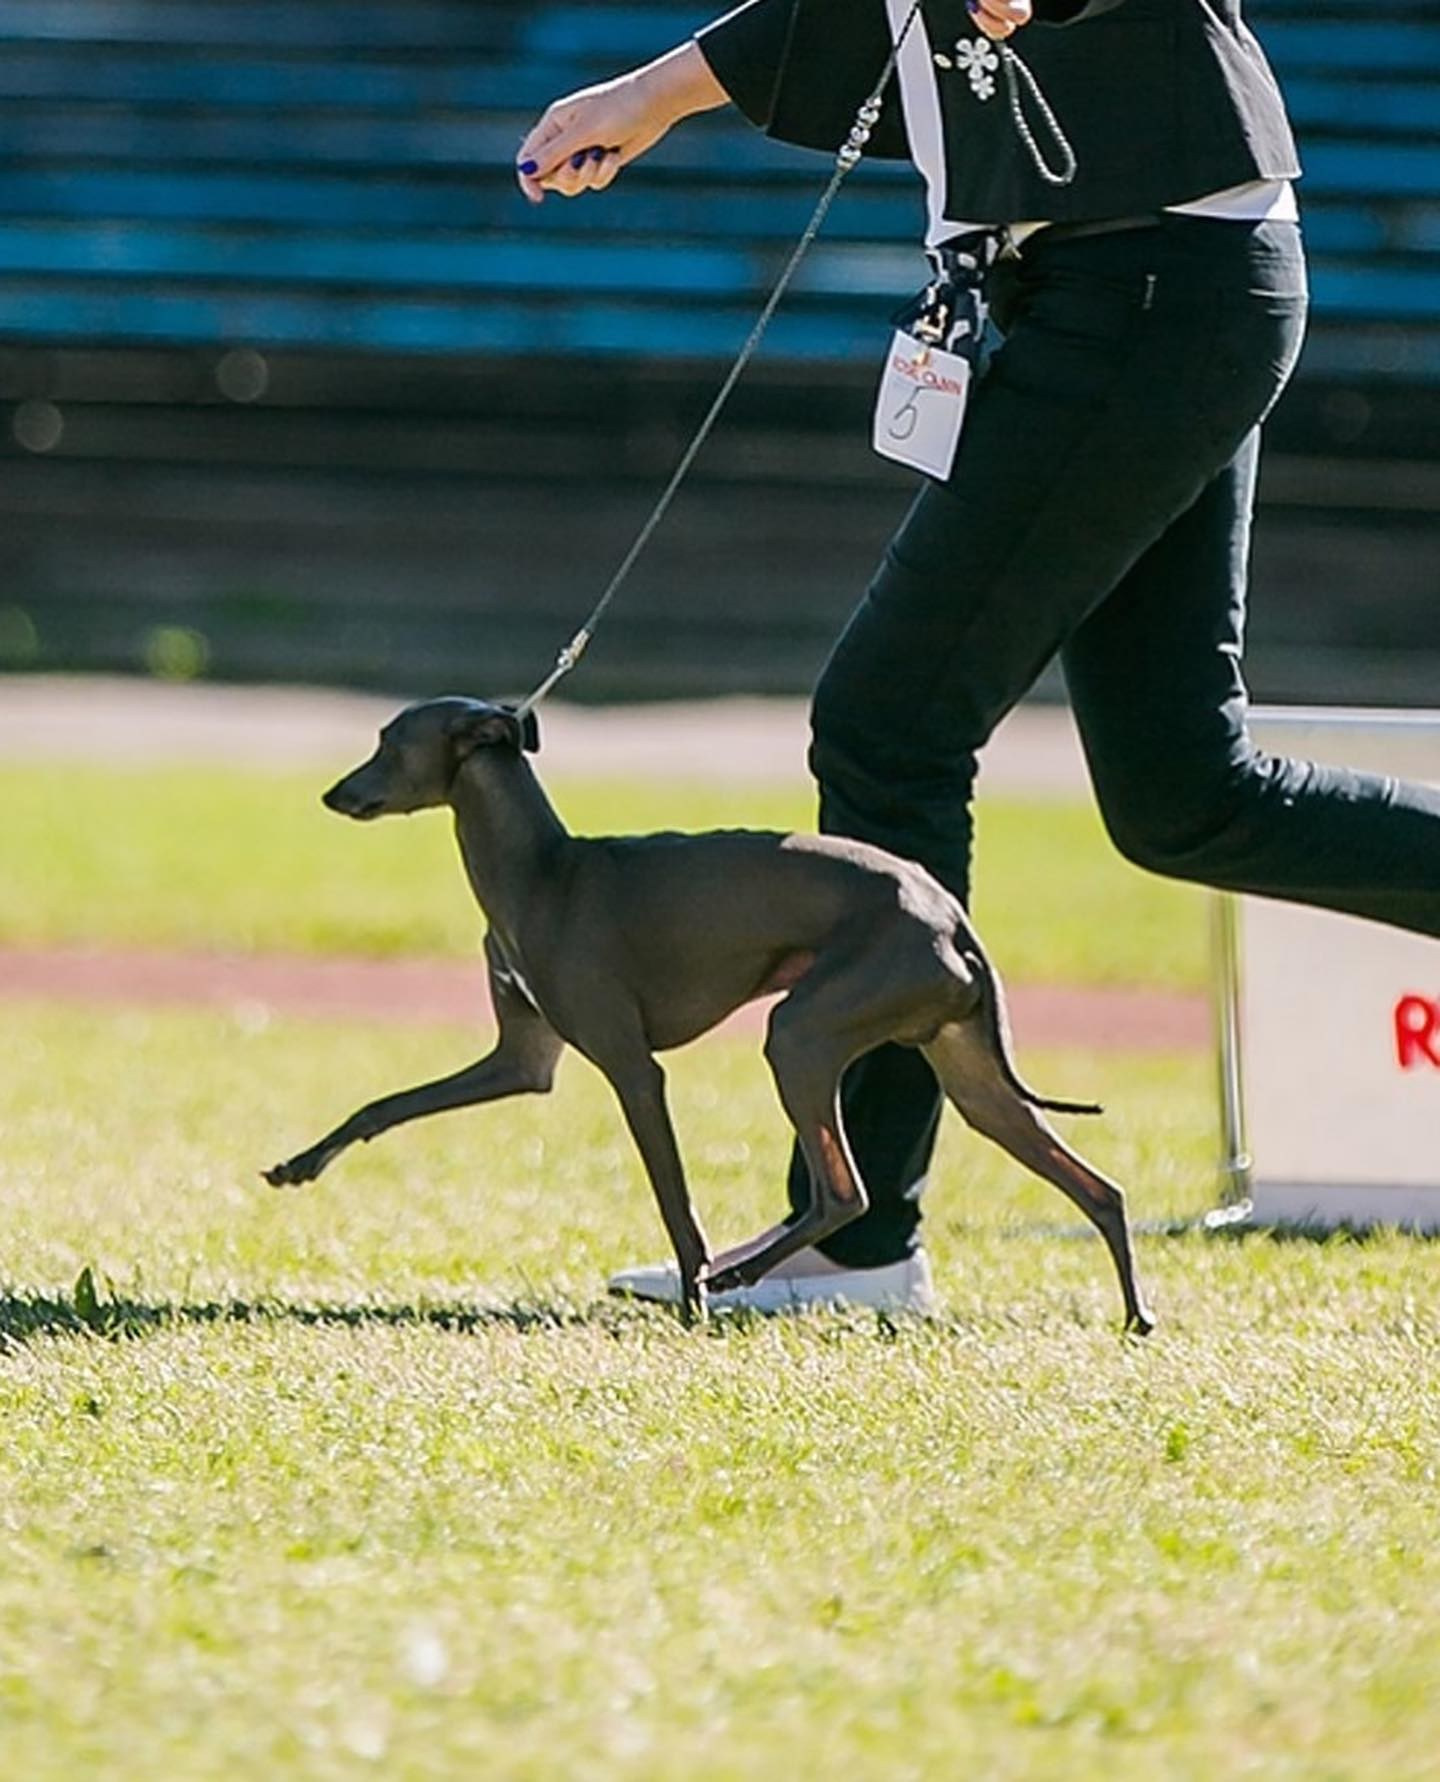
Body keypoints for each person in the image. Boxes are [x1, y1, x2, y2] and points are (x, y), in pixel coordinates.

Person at [516, 0, 1440, 1314]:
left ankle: (859, 1239)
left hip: (1156, 286)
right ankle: (859, 1241)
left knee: (890, 726)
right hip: (1143, 284)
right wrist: (653, 95)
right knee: (1185, 789)